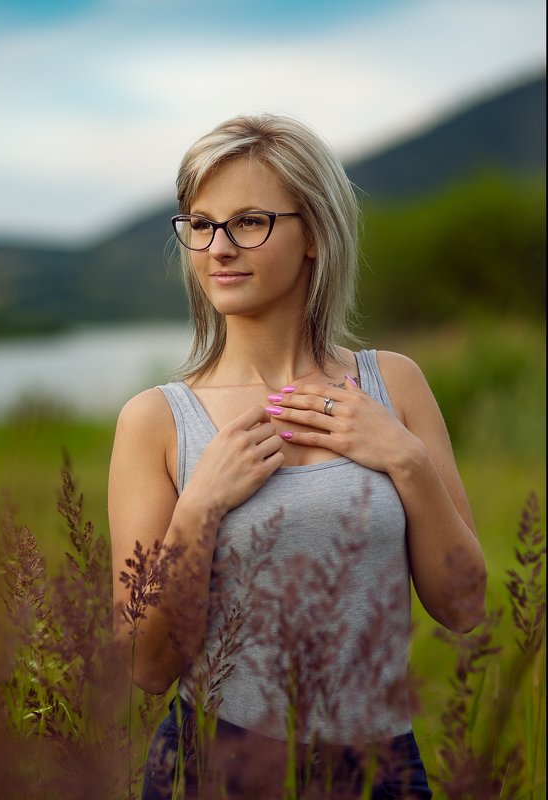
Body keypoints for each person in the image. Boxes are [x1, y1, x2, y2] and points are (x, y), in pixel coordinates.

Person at [108, 114, 487, 799]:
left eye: (249, 221)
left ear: (313, 233)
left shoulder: (393, 385)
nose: (219, 247)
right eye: (200, 224)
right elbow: (146, 664)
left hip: (381, 768)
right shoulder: (156, 421)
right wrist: (199, 507)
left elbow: (463, 606)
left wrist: (405, 461)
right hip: (216, 764)